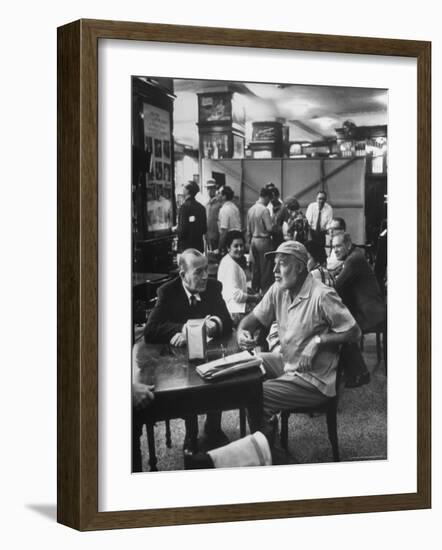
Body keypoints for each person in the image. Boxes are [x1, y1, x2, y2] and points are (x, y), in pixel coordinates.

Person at [237, 241, 361, 450]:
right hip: (289, 364)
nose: (275, 270)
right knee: (245, 365)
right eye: (275, 264)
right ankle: (267, 428)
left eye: (282, 264)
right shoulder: (279, 289)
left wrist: (319, 341)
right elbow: (251, 320)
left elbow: (354, 332)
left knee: (256, 395)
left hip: (314, 378)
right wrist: (242, 331)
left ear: (300, 267)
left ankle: (268, 452)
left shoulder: (322, 295)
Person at [144, 249, 233, 451]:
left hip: (210, 355)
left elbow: (227, 321)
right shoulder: (167, 292)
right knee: (188, 384)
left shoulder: (212, 288)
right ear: (183, 275)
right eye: (198, 272)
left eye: (207, 270)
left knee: (217, 377)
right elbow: (150, 330)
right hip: (180, 360)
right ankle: (190, 432)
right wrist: (183, 328)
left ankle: (213, 427)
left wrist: (215, 324)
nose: (205, 276)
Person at [332, 233, 386, 333]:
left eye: (338, 246)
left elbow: (337, 286)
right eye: (333, 247)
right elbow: (337, 272)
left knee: (333, 323)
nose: (335, 250)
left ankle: (348, 347)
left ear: (348, 245)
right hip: (369, 311)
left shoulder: (354, 259)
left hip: (369, 315)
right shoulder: (354, 255)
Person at [217, 230, 260, 325]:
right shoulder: (231, 265)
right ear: (228, 248)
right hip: (234, 310)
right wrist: (254, 297)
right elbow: (236, 296)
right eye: (235, 246)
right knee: (263, 314)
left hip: (234, 306)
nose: (240, 249)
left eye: (241, 245)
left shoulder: (228, 260)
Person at [246, 187, 274, 293]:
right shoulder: (264, 210)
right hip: (264, 241)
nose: (268, 202)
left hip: (253, 240)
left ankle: (255, 291)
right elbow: (269, 228)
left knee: (255, 270)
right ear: (266, 197)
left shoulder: (251, 209)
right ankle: (265, 292)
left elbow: (248, 230)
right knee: (266, 270)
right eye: (269, 200)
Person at [177, 181, 207, 253]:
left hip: (186, 248)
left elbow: (182, 231)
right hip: (198, 247)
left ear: (187, 191)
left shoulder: (184, 207)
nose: (182, 189)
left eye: (183, 187)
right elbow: (204, 229)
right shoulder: (201, 207)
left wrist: (176, 230)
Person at [218, 186, 241, 252]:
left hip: (229, 242)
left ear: (224, 196)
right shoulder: (235, 208)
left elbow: (224, 231)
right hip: (237, 239)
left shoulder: (224, 209)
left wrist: (219, 248)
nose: (217, 195)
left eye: (219, 193)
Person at [205, 178, 222, 251]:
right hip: (208, 236)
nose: (209, 190)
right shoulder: (207, 205)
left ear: (215, 189)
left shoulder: (219, 204)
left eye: (212, 188)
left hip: (216, 236)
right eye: (208, 188)